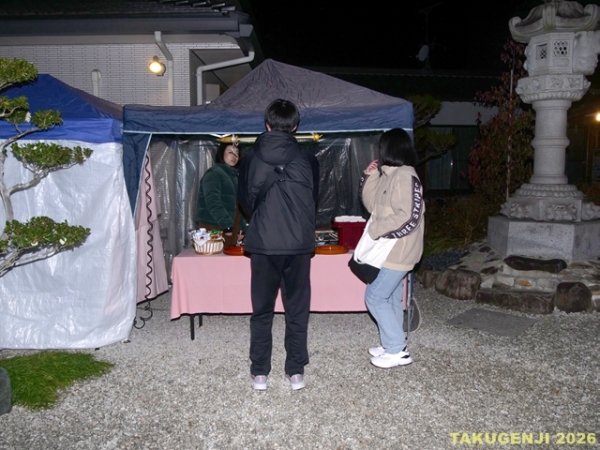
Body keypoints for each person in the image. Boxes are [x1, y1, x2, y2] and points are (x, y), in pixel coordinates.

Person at [237, 99, 319, 391]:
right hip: (298, 244)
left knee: (262, 311)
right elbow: (314, 199)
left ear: (267, 124)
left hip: (263, 243)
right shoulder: (309, 159)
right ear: (295, 126)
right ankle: (295, 372)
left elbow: (245, 202)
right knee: (297, 310)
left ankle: (260, 373)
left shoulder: (249, 158)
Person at [359, 128, 425, 369]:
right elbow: (372, 206)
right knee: (392, 297)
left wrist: (378, 230)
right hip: (389, 249)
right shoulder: (390, 174)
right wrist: (370, 177)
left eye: (381, 147)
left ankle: (397, 350)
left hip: (399, 250)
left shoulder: (405, 176)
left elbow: (409, 216)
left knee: (375, 296)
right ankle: (392, 344)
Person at [195, 143, 245, 247]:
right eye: (230, 152)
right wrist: (227, 226)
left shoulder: (235, 177)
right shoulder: (213, 173)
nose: (234, 156)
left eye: (237, 153)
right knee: (214, 255)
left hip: (230, 228)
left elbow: (238, 206)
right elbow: (213, 202)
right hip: (213, 228)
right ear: (221, 153)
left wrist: (242, 227)